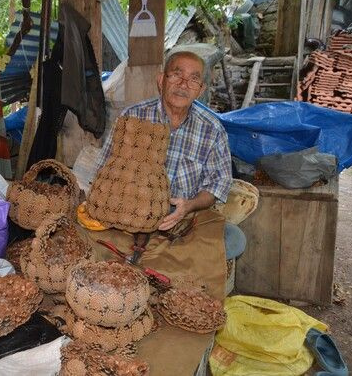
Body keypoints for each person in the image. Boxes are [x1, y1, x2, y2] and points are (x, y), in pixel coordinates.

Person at [95, 51, 245, 260]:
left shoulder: (212, 129)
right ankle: (159, 257)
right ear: (161, 80)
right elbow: (103, 169)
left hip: (182, 219)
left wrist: (188, 206)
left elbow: (218, 185)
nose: (183, 84)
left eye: (193, 79)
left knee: (234, 239)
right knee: (87, 235)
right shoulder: (132, 117)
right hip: (128, 219)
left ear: (200, 90)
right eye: (176, 74)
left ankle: (161, 256)